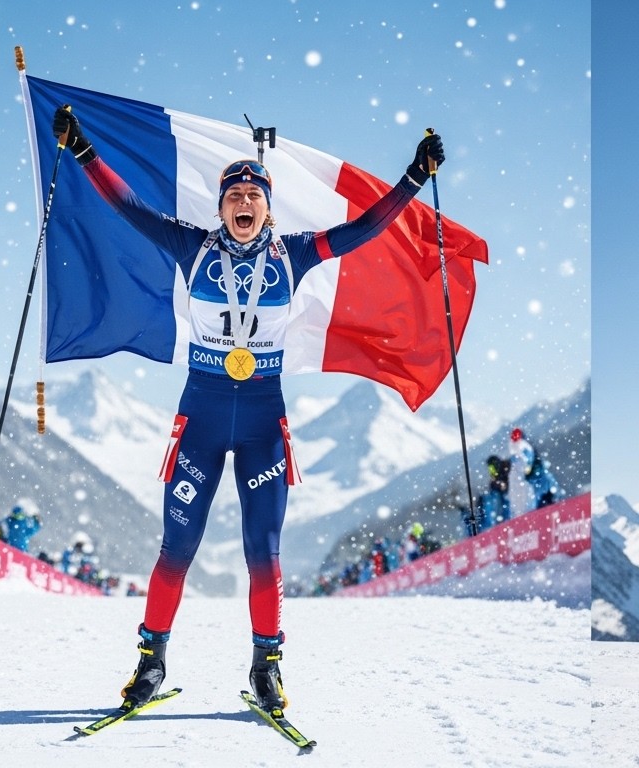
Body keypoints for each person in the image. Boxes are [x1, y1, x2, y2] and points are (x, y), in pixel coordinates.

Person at [51, 105, 444, 715]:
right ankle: (150, 662)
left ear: (267, 205)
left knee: (263, 548)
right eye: (232, 194)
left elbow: (364, 229)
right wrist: (83, 153)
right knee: (176, 547)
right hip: (203, 411)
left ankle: (267, 666)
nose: (242, 202)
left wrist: (413, 180)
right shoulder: (191, 245)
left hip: (262, 414)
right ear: (220, 207)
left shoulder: (296, 253)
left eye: (252, 194)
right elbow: (128, 209)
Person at [506, 429, 537, 516]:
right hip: (520, 487)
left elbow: (527, 465)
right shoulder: (519, 452)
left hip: (524, 485)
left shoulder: (524, 448)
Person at [481, 454, 511, 530]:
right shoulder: (495, 481)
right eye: (490, 469)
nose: (491, 471)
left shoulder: (506, 470)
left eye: (492, 468)